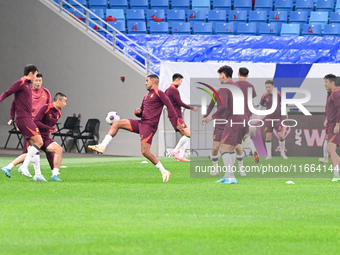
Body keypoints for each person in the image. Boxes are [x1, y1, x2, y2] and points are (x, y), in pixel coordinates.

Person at [88, 74, 180, 182]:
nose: (145, 83)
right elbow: (141, 112)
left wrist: (176, 122)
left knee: (145, 151)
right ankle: (102, 146)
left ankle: (164, 171)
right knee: (116, 124)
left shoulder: (159, 93)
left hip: (149, 126)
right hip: (142, 123)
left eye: (147, 81)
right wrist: (137, 112)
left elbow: (170, 106)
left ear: (154, 82)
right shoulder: (146, 96)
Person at [0, 64, 45, 180]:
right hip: (24, 119)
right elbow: (7, 93)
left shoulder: (26, 86)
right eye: (35, 75)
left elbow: (14, 102)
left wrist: (12, 117)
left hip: (25, 119)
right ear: (30, 74)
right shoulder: (20, 83)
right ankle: (24, 167)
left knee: (33, 147)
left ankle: (37, 174)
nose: (36, 78)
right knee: (39, 142)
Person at [5, 73, 54, 176]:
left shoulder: (46, 92)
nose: (38, 82)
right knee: (32, 148)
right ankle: (17, 167)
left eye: (40, 80)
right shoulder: (26, 90)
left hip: (41, 125)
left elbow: (50, 108)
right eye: (36, 80)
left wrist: (49, 125)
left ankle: (45, 173)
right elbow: (14, 103)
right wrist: (12, 118)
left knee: (43, 148)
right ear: (32, 80)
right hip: (29, 122)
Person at [201, 65, 236, 176]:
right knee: (217, 147)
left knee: (229, 147)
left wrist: (212, 117)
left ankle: (229, 172)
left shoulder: (229, 88)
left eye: (219, 76)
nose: (219, 78)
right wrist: (205, 115)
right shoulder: (220, 90)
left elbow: (224, 106)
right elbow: (211, 105)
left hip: (230, 122)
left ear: (223, 75)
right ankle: (216, 169)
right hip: (223, 123)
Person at [165, 73, 198, 162]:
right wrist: (192, 108)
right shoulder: (173, 90)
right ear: (177, 80)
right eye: (181, 81)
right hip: (176, 116)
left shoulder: (167, 90)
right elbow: (180, 102)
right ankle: (175, 151)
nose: (181, 83)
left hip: (174, 115)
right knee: (188, 134)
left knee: (185, 136)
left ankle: (180, 157)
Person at [234, 67, 260, 174]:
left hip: (235, 115)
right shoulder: (250, 86)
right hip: (246, 115)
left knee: (235, 142)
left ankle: (241, 169)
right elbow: (251, 101)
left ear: (238, 73)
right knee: (245, 136)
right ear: (247, 75)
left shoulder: (234, 85)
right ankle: (253, 148)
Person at [259, 80, 288, 160]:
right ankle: (269, 155)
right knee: (268, 136)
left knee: (281, 136)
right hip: (269, 118)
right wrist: (258, 116)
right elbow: (260, 105)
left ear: (273, 86)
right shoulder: (264, 95)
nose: (267, 88)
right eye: (266, 87)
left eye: (269, 87)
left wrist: (285, 112)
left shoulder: (278, 94)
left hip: (278, 118)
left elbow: (284, 102)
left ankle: (282, 153)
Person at [323, 74, 340, 182]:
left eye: (326, 82)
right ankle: (336, 174)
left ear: (332, 83)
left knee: (330, 148)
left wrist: (338, 124)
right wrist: (327, 118)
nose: (324, 84)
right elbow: (331, 108)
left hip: (335, 124)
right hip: (331, 123)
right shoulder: (330, 93)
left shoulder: (336, 93)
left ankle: (336, 174)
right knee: (331, 149)